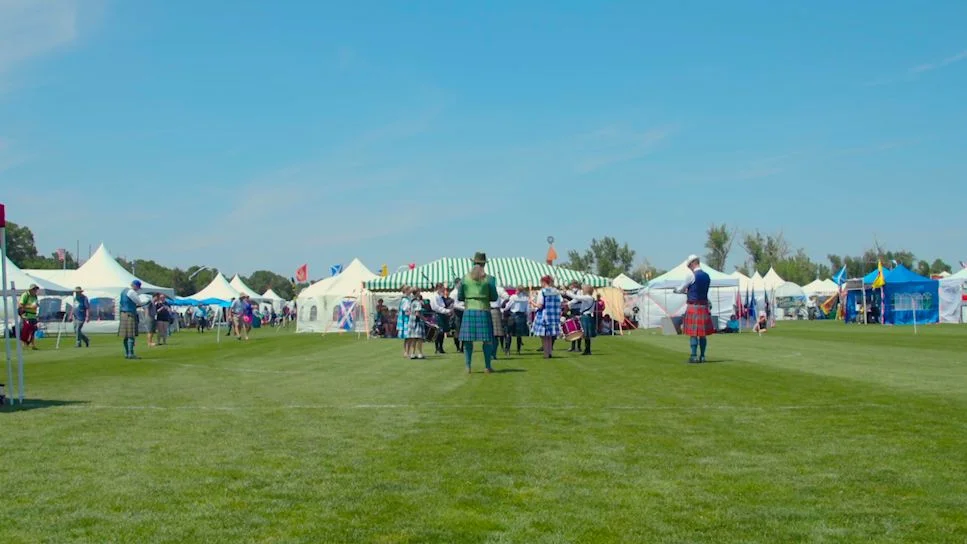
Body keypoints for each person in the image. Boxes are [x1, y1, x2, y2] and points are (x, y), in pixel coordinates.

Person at [457, 252, 499, 373]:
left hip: (469, 310)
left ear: (473, 263)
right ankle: (487, 366)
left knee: (468, 341)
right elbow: (495, 297)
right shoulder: (490, 279)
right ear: (484, 264)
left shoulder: (465, 278)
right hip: (484, 310)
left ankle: (468, 366)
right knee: (487, 340)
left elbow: (460, 297)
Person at [674, 254, 714, 363]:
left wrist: (676, 290)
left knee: (694, 333)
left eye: (689, 266)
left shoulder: (691, 276)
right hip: (704, 306)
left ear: (692, 263)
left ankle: (693, 356)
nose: (689, 268)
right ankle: (703, 356)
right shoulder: (707, 276)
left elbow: (681, 288)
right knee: (703, 334)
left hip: (694, 307)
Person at [532, 275, 563, 358]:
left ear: (544, 282)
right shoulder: (556, 291)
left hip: (544, 316)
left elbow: (540, 306)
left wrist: (532, 302)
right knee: (549, 336)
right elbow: (561, 302)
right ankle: (549, 352)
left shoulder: (542, 291)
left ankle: (546, 354)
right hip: (554, 316)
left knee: (544, 336)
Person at [118, 280, 149, 359]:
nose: (138, 290)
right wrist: (147, 301)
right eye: (138, 288)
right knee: (130, 335)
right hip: (130, 314)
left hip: (123, 313)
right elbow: (139, 302)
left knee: (125, 335)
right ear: (135, 286)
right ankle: (130, 354)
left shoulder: (123, 291)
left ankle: (127, 353)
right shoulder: (132, 292)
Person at [567, 284, 596, 356]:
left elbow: (576, 297)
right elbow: (576, 299)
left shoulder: (588, 297)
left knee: (586, 334)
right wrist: (569, 302)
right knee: (585, 334)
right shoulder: (588, 298)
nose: (582, 291)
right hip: (585, 316)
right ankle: (587, 349)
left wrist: (567, 292)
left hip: (586, 316)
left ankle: (588, 350)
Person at [505, 286, 530, 355]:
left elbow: (508, 306)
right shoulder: (525, 298)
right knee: (519, 335)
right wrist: (528, 318)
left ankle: (507, 350)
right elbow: (528, 310)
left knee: (509, 333)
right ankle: (518, 350)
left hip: (513, 315)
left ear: (518, 290)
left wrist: (504, 310)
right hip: (521, 316)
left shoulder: (513, 297)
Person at [429, 284, 451, 354]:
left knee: (442, 332)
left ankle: (441, 347)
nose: (443, 290)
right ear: (438, 288)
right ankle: (437, 348)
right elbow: (435, 307)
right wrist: (446, 311)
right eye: (442, 288)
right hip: (437, 314)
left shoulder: (440, 296)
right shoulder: (434, 296)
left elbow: (443, 305)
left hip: (442, 314)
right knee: (438, 332)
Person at [17, 284, 40, 350]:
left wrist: (36, 305)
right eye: (34, 289)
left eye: (36, 289)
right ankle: (23, 344)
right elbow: (20, 305)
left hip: (33, 315)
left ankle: (33, 345)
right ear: (30, 289)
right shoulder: (25, 295)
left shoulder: (35, 296)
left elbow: (35, 304)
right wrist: (30, 307)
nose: (35, 290)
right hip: (26, 315)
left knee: (33, 330)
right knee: (25, 331)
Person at [407, 290, 427, 359]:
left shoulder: (411, 301)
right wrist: (425, 319)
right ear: (417, 293)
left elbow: (408, 311)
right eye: (419, 292)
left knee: (413, 338)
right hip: (417, 321)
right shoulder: (417, 302)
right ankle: (420, 353)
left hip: (411, 321)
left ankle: (412, 353)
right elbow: (417, 313)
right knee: (419, 338)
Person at [397, 286, 413, 358]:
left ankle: (407, 352)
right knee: (408, 337)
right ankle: (406, 352)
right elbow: (406, 310)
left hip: (407, 319)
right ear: (406, 291)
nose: (411, 291)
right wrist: (412, 313)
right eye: (409, 290)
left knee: (408, 337)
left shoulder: (407, 299)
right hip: (406, 320)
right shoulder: (405, 300)